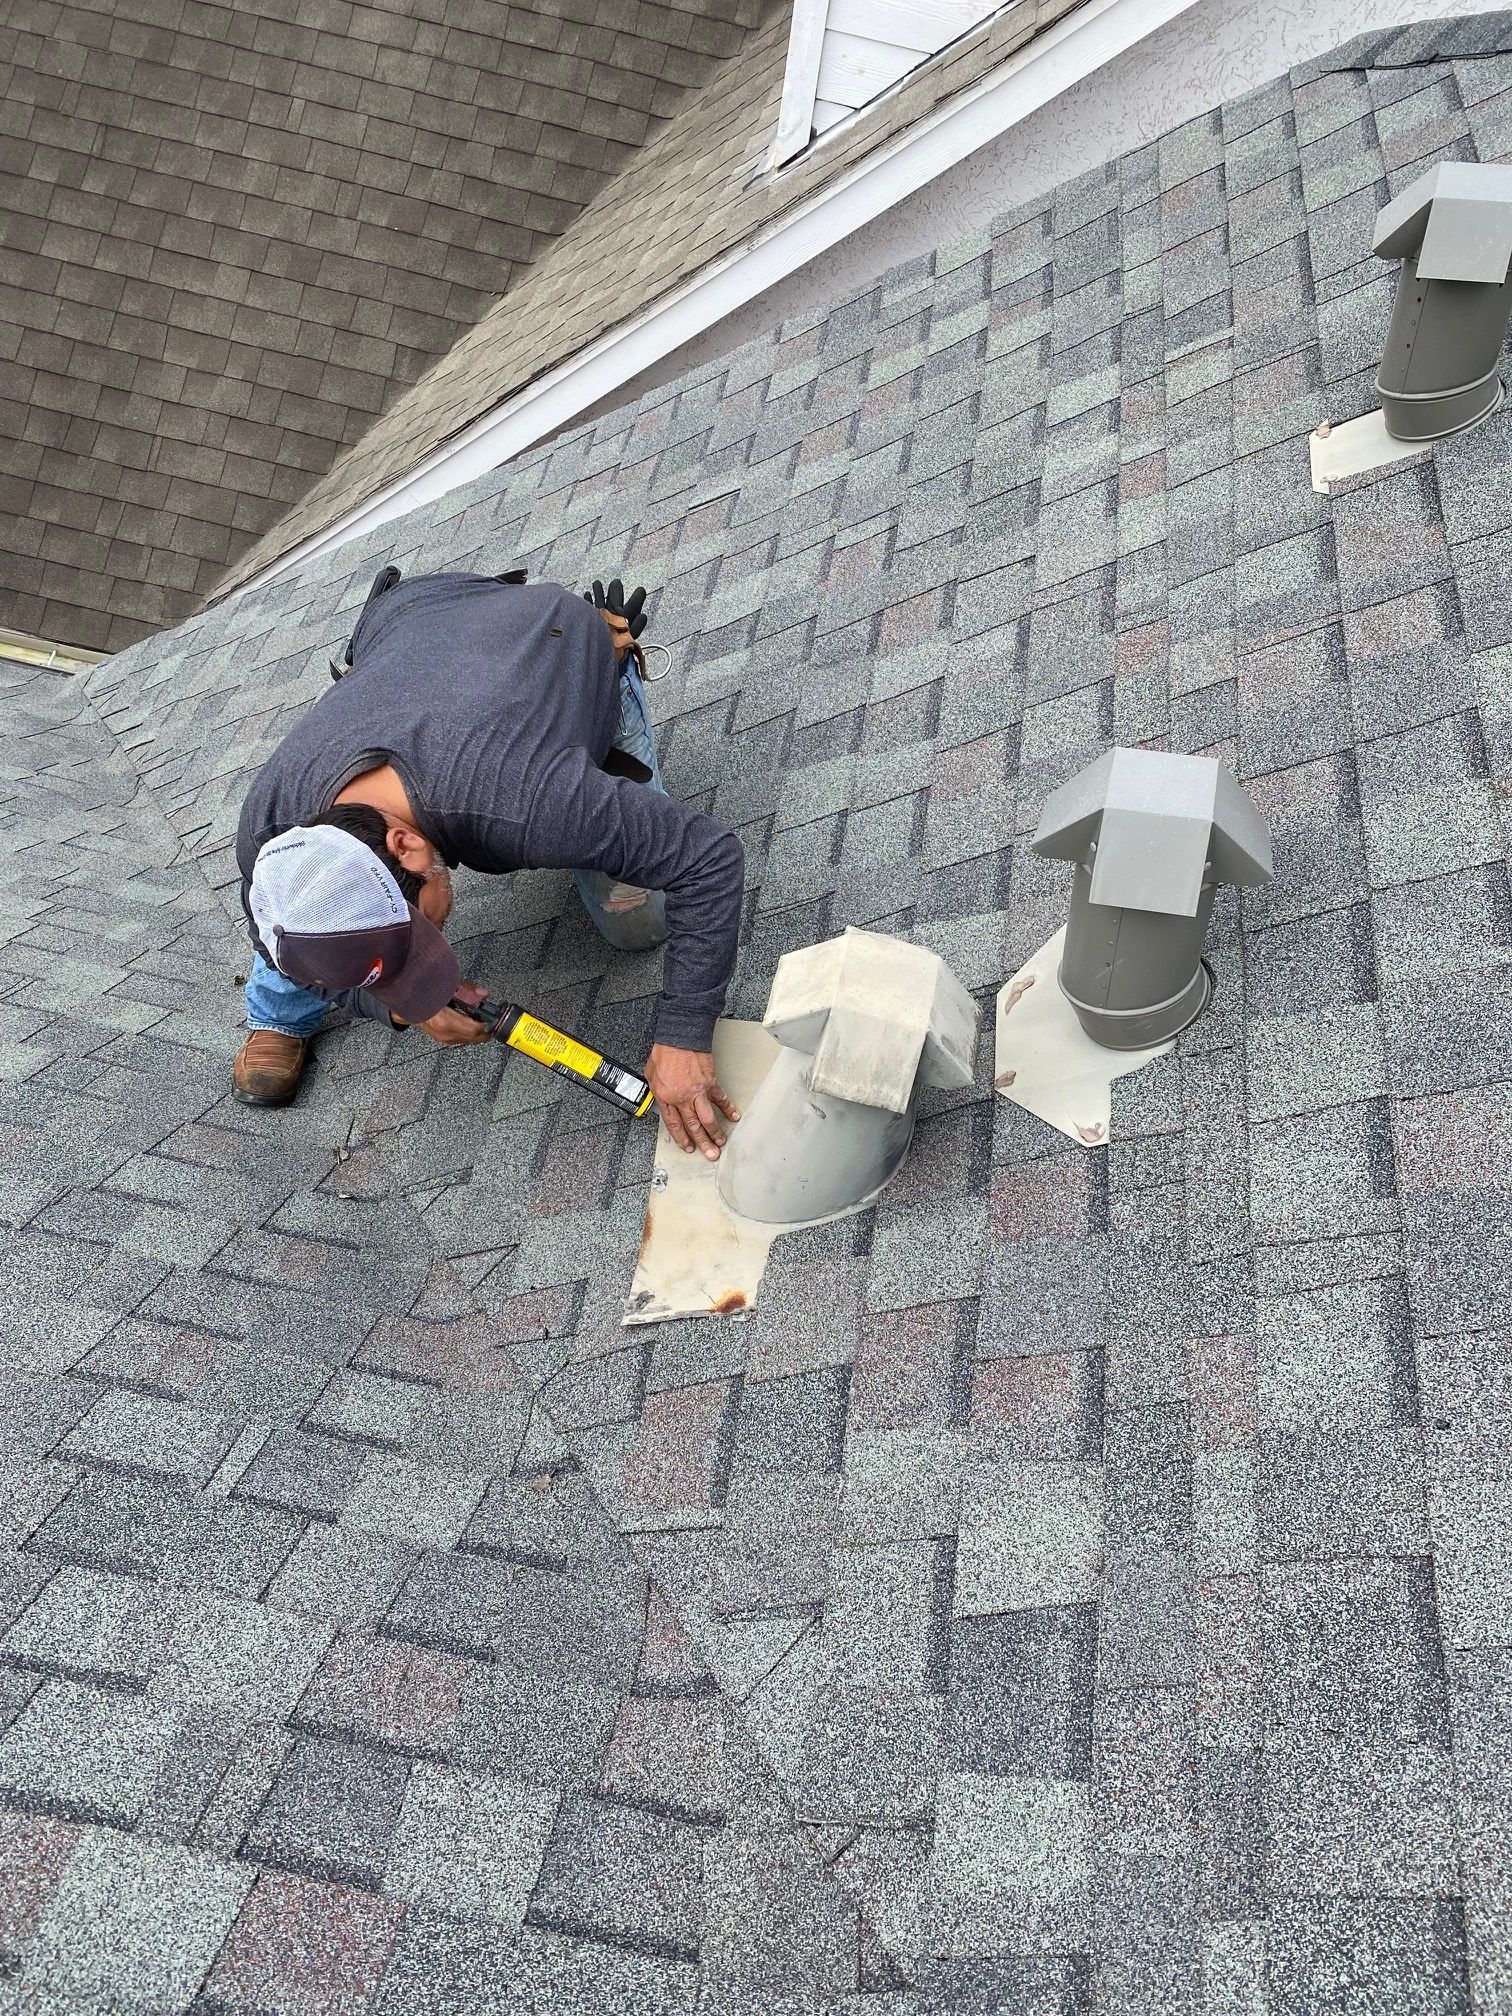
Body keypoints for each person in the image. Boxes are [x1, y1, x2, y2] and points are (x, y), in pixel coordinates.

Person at [232, 570, 745, 1160]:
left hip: (549, 638)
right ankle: (278, 1015)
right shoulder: (269, 830)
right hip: (410, 628)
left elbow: (707, 857)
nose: (423, 953)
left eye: (416, 937)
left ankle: (612, 671)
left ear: (407, 846)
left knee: (637, 922)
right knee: (301, 921)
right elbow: (269, 928)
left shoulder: (531, 800)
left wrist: (685, 1035)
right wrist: (397, 1007)